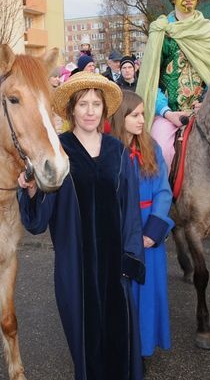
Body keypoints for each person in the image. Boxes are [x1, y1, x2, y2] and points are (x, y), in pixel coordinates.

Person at [18, 72, 145, 380]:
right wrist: (32, 191)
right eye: (83, 104)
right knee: (85, 344)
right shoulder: (59, 151)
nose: (90, 111)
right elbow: (38, 221)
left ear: (104, 109)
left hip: (116, 266)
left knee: (121, 339)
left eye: (96, 104)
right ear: (72, 109)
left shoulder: (117, 152)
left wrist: (130, 256)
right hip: (76, 267)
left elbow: (129, 210)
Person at [110, 90, 174, 360]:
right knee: (122, 294)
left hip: (149, 233)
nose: (141, 120)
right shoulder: (108, 151)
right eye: (135, 115)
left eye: (143, 115)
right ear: (120, 116)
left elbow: (163, 191)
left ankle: (143, 348)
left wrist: (153, 232)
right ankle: (122, 347)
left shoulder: (151, 147)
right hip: (122, 231)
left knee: (147, 295)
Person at [136, 0, 210, 170]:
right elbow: (151, 82)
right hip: (170, 115)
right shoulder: (162, 32)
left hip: (207, 111)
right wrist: (167, 113)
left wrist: (208, 103)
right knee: (161, 151)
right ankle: (165, 198)